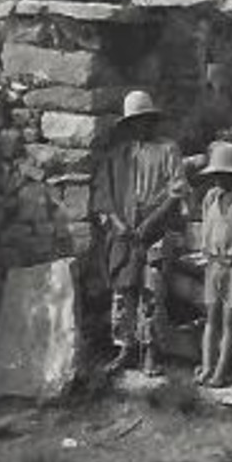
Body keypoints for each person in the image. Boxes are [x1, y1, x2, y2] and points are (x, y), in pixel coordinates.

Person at [91, 90, 188, 376]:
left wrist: (151, 222)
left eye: (145, 120)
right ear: (129, 125)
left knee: (152, 288)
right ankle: (125, 347)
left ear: (152, 121)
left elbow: (176, 192)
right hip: (126, 230)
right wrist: (118, 224)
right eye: (135, 122)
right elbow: (104, 194)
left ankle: (151, 352)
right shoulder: (120, 155)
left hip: (156, 227)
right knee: (124, 289)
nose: (140, 126)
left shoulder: (168, 149)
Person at [193, 140, 232, 388]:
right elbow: (207, 228)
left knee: (229, 321)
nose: (219, 181)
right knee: (211, 318)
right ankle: (207, 367)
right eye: (216, 175)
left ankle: (220, 372)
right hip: (213, 266)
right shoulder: (210, 199)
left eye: (224, 175)